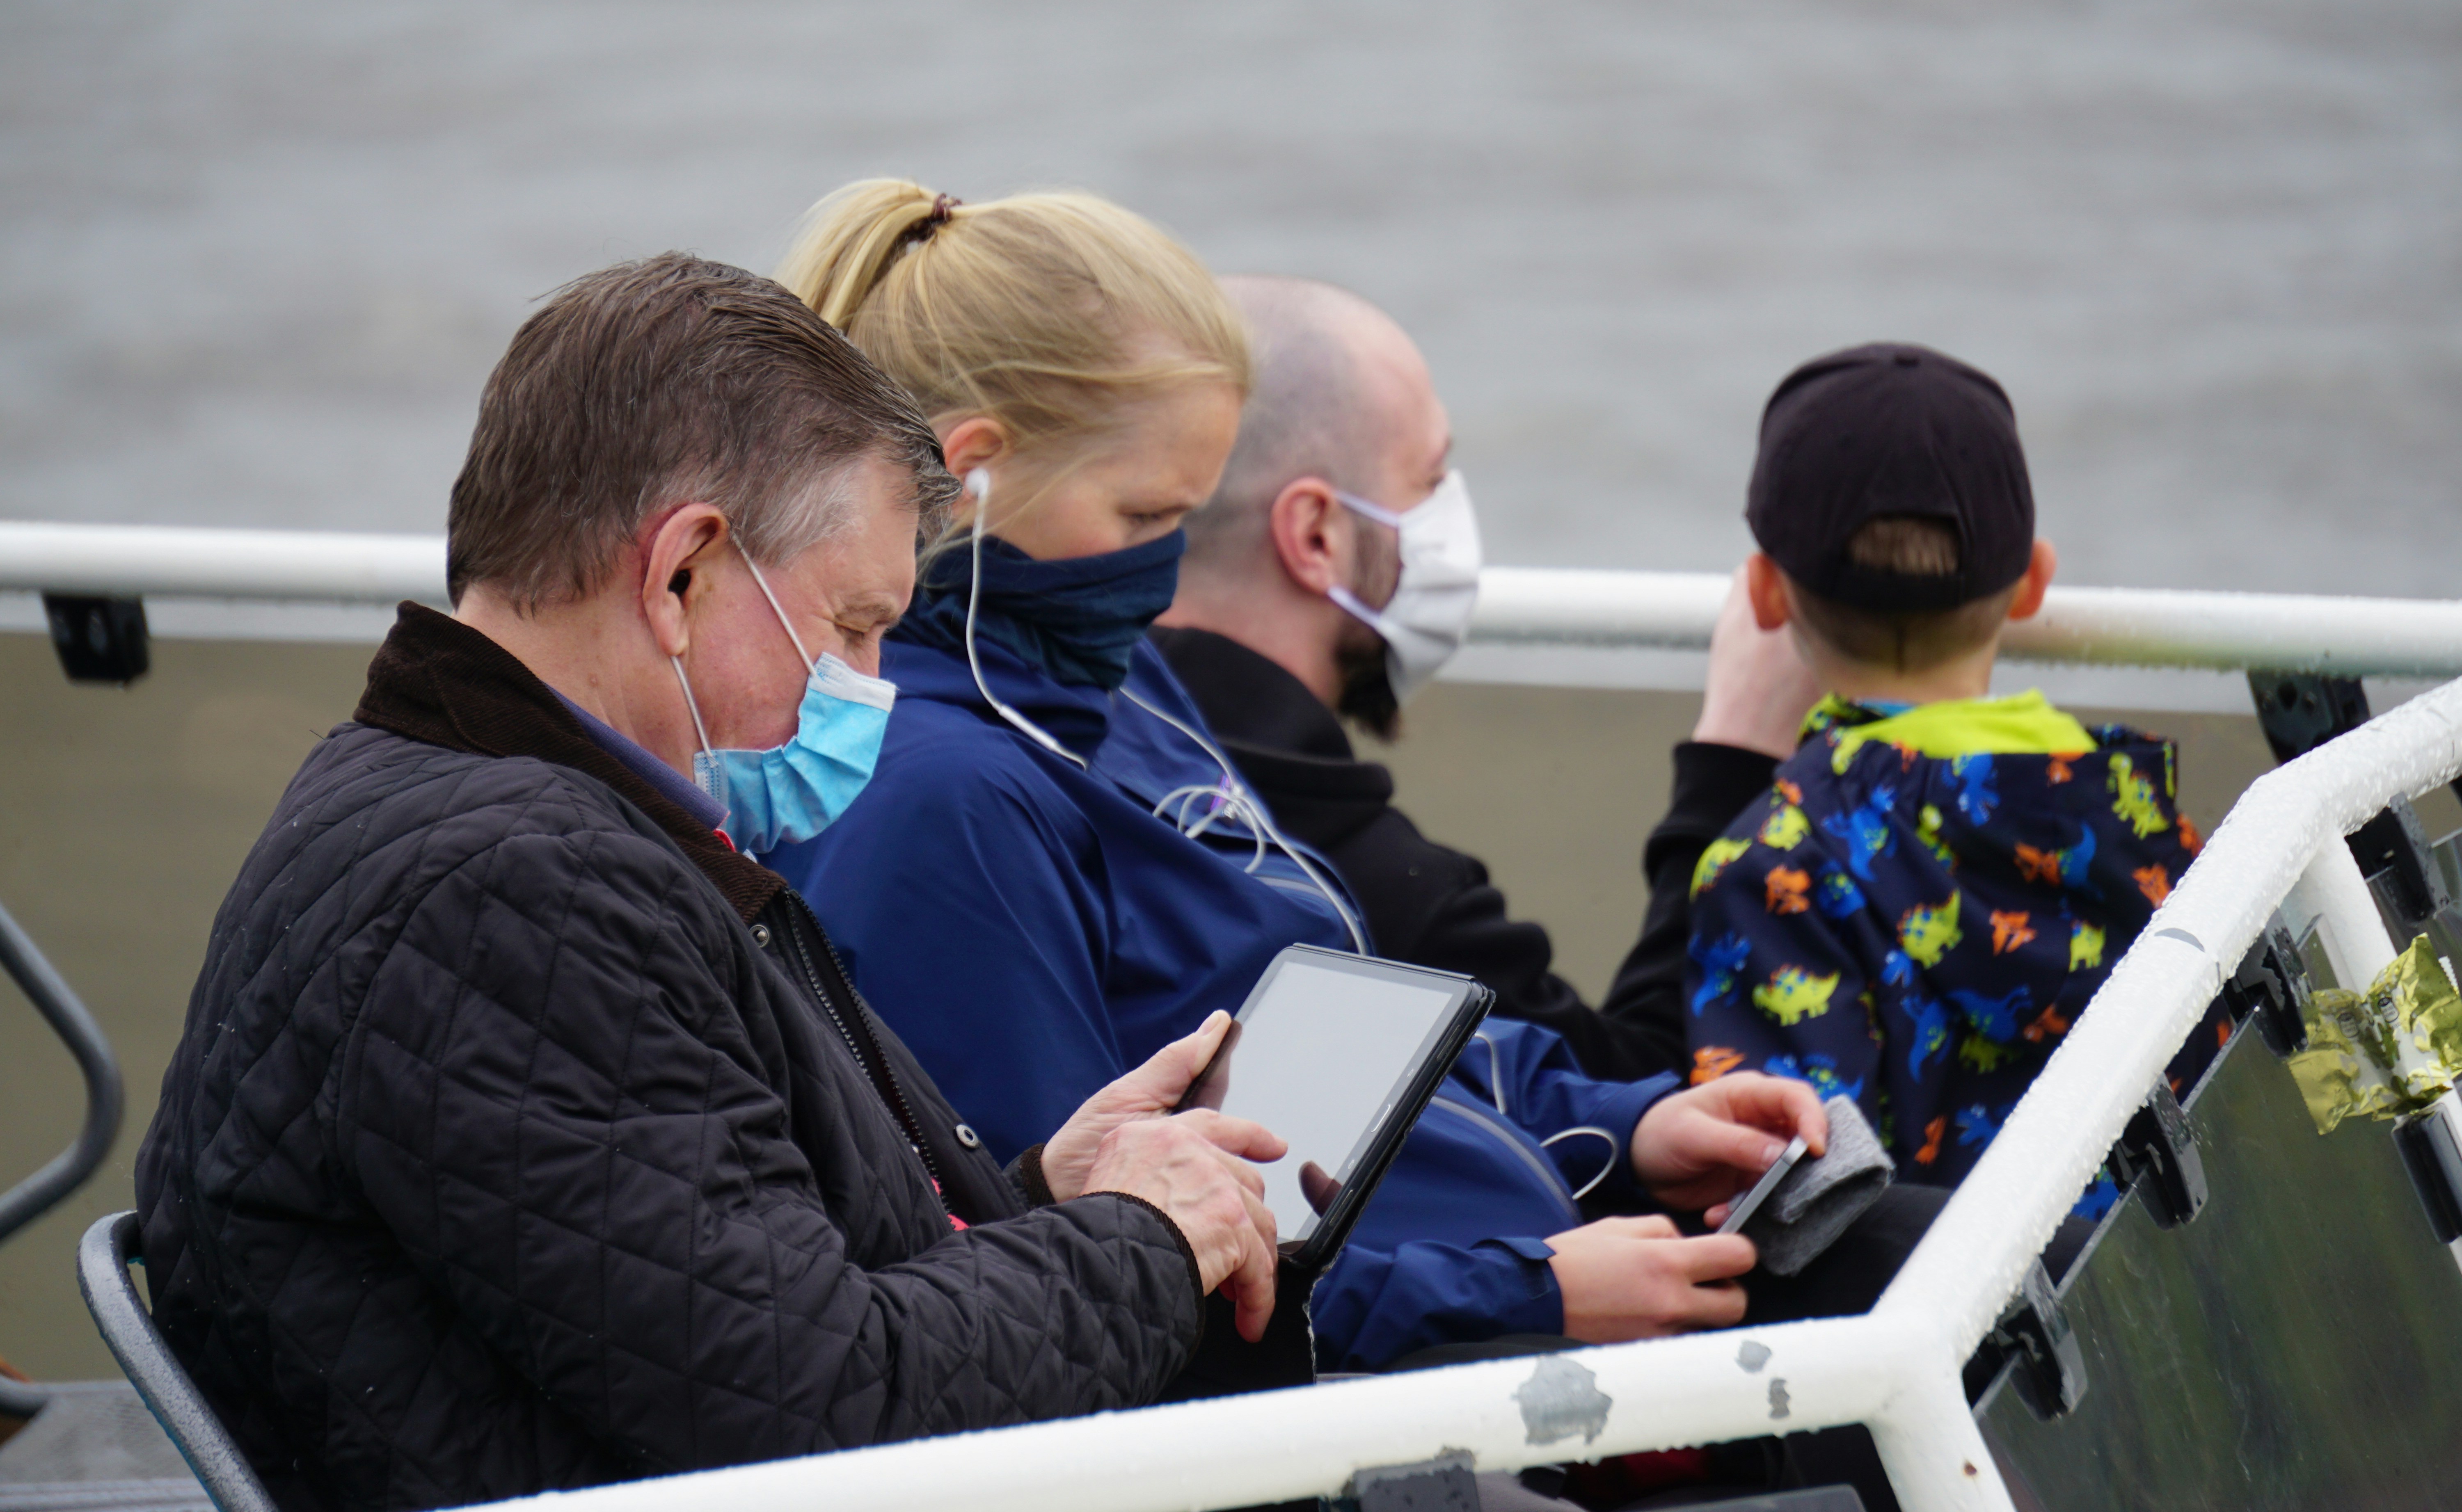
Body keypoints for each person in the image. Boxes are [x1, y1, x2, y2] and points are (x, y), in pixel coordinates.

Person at [133, 255, 1291, 1512]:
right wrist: (1144, 1238)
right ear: (682, 573)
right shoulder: (518, 895)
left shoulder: (429, 802)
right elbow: (831, 1428)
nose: (872, 687)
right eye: (852, 627)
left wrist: (1050, 1198)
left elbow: (706, 1313)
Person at [763, 180, 1834, 1377]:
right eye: (1147, 513)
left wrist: (1630, 1125)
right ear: (972, 475)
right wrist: (1520, 1292)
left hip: (1502, 1267)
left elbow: (1346, 1034)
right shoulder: (941, 805)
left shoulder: (1112, 681)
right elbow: (1070, 1269)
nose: (1166, 574)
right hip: (1385, 1371)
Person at [1156, 276, 1823, 1081]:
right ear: (1317, 537)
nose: (1448, 510)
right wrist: (1736, 759)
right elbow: (1637, 1100)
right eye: (1431, 479)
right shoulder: (1366, 889)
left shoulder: (1071, 739)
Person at [1684, 343, 2204, 1204]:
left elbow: (1792, 1198)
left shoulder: (1770, 865)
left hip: (1950, 1287)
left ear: (1766, 594)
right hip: (2156, 1270)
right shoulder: (2137, 808)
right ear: (2032, 583)